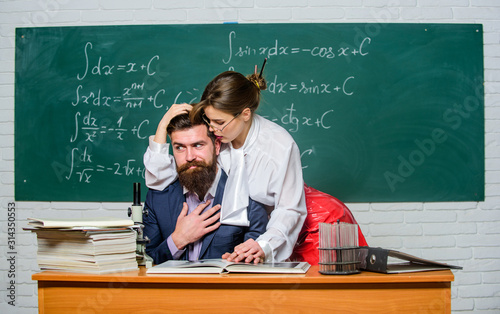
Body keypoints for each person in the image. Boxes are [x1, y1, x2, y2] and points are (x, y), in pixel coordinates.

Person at [144, 67, 307, 263]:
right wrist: (163, 127)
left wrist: (265, 244)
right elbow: (160, 179)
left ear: (245, 114)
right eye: (208, 120)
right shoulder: (217, 133)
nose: (211, 128)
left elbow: (290, 209)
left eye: (218, 122)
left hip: (264, 234)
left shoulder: (279, 147)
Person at [143, 113, 268, 265]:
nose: (189, 157)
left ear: (216, 146)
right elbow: (145, 261)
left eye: (198, 145)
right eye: (180, 147)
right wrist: (177, 240)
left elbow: (256, 259)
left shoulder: (249, 194)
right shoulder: (158, 198)